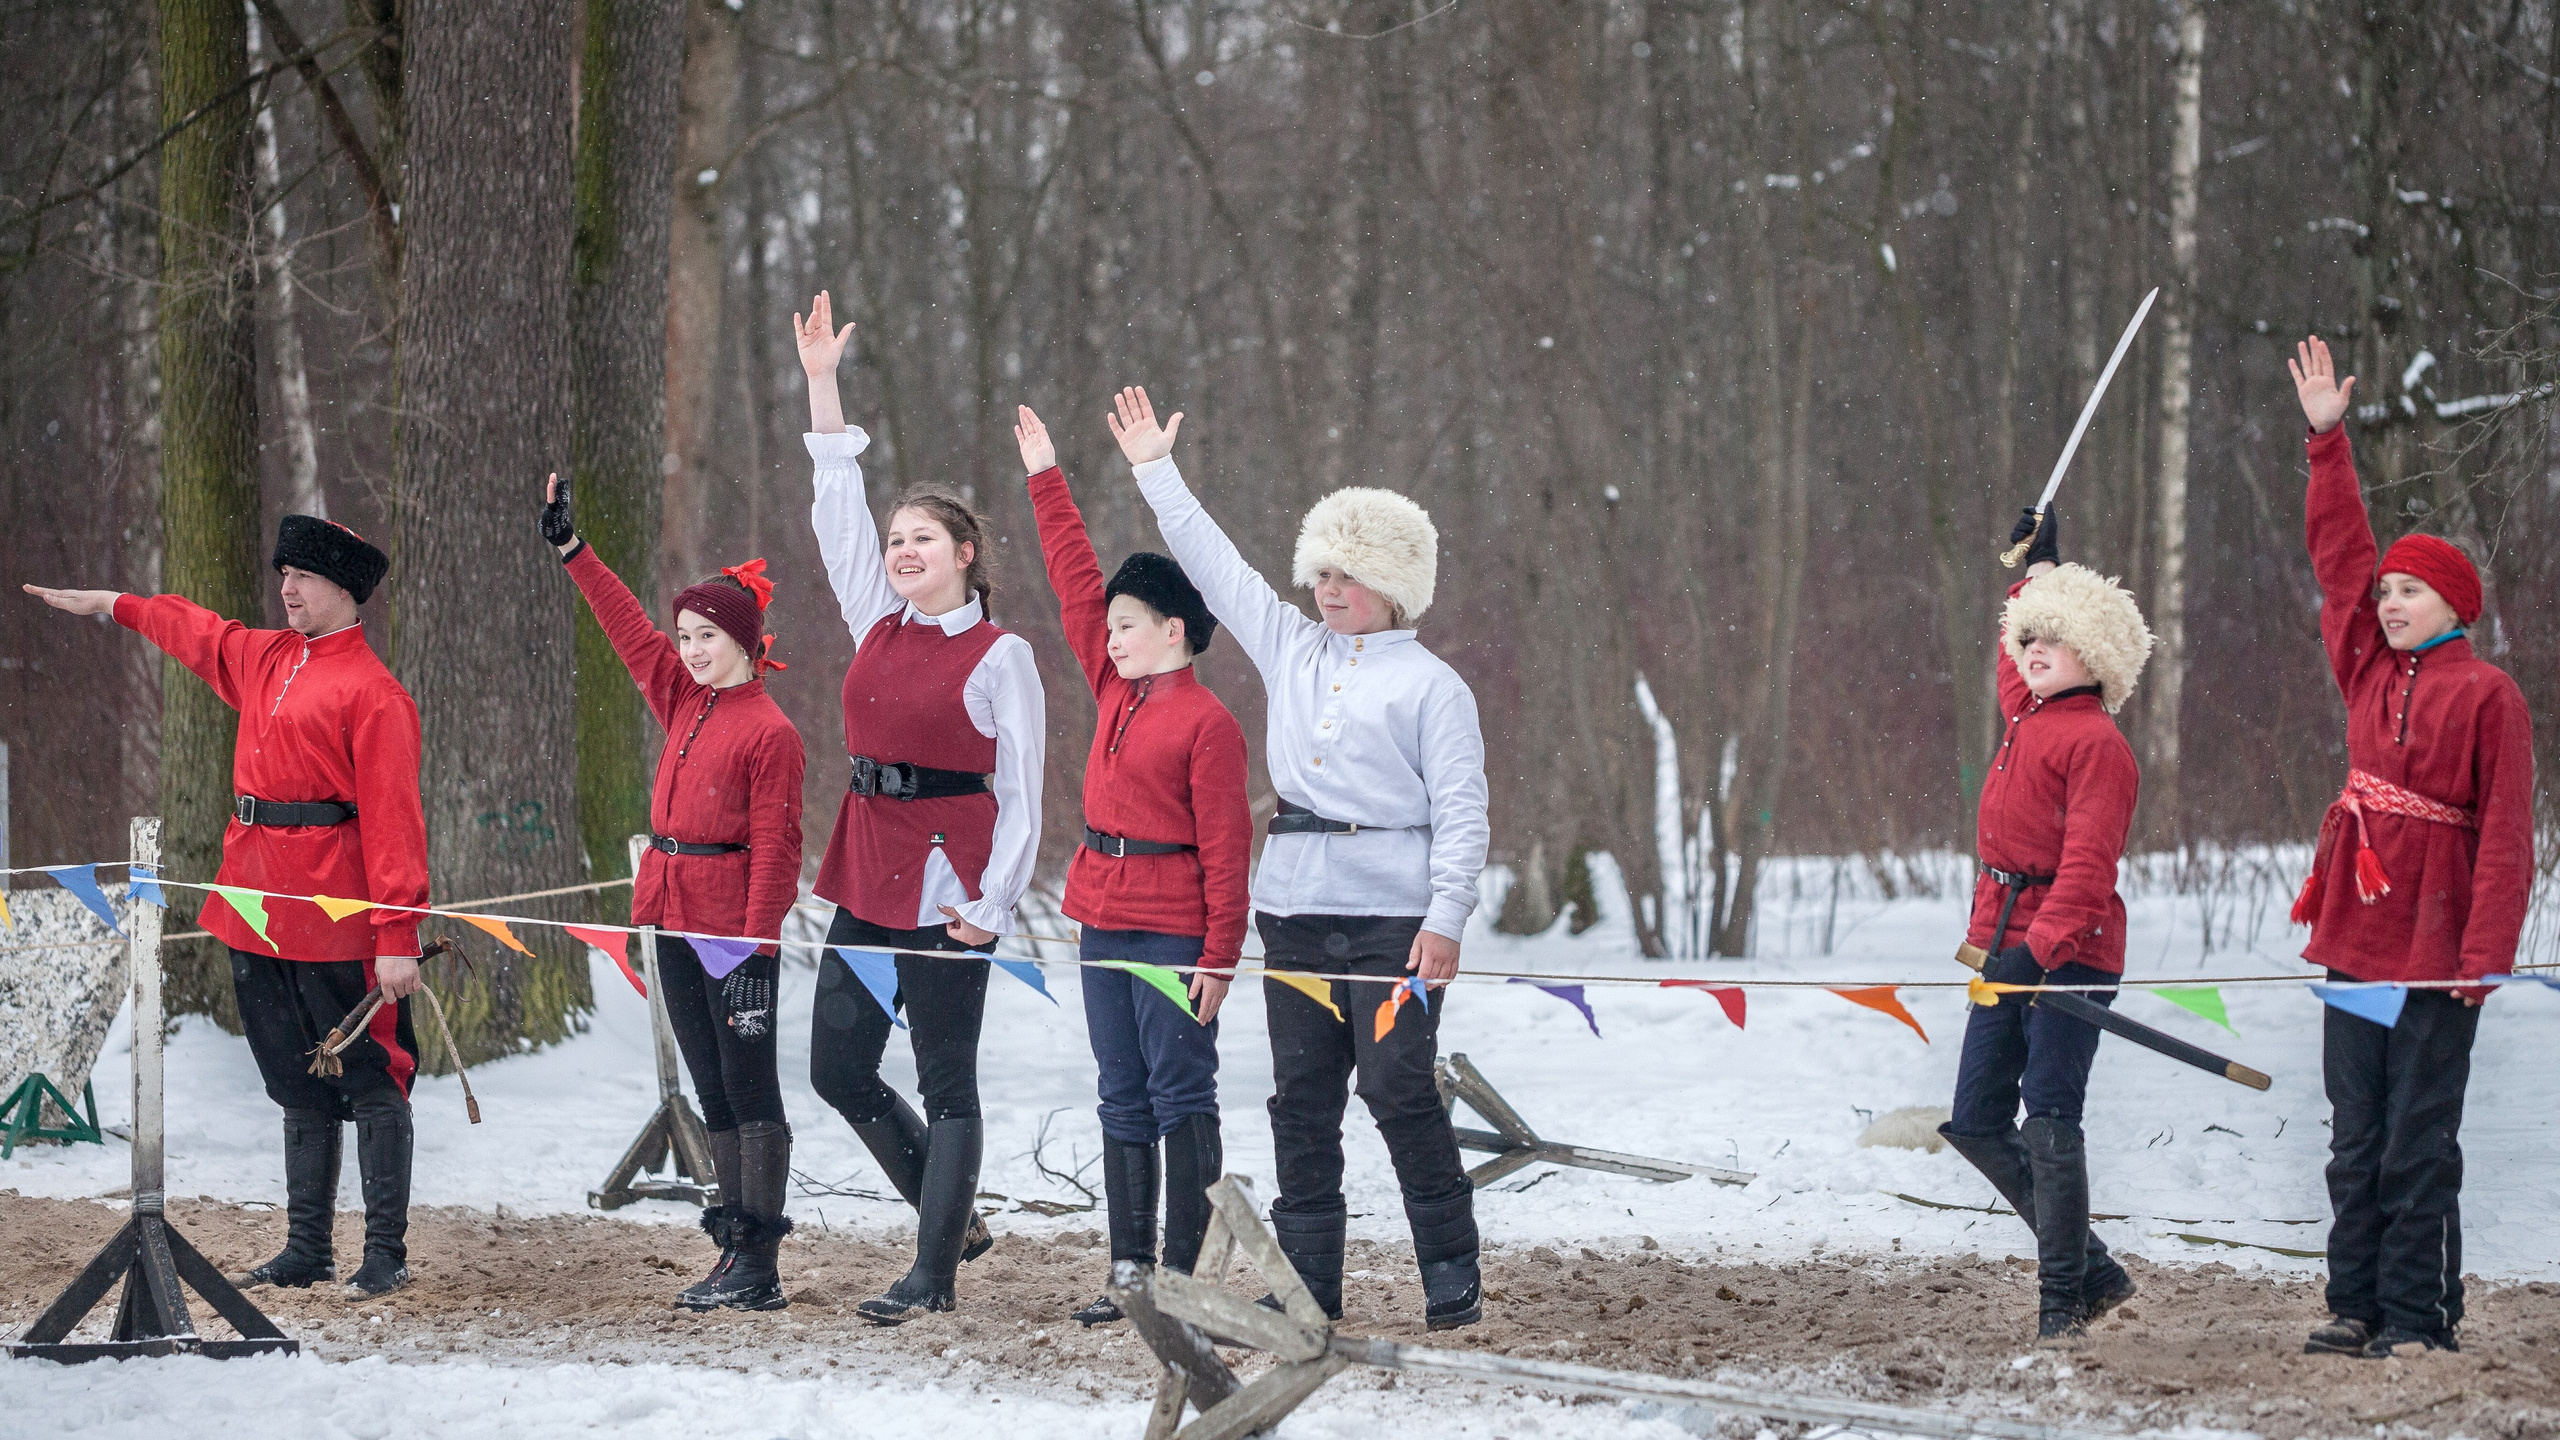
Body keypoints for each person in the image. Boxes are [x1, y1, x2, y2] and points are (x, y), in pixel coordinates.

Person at [1110, 385, 1492, 1331]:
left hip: (1395, 919)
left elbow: (1464, 812)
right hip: (1295, 911)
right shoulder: (1291, 646)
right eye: (1320, 571)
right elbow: (1218, 565)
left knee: (1399, 1089)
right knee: (1302, 1101)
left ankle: (1450, 1266)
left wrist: (1445, 919)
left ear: (1395, 588)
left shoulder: (1434, 687)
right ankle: (1309, 1283)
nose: (1328, 590)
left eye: (1348, 577)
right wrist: (1156, 472)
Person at [25, 519, 430, 1300]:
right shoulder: (266, 657)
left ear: (346, 590)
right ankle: (307, 1248)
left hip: (339, 915)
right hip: (252, 904)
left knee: (373, 1077)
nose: (287, 588)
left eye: (304, 577)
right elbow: (199, 633)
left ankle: (385, 1251)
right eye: (283, 572)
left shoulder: (376, 694)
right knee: (293, 1079)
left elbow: (395, 823)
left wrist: (397, 934)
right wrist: (114, 603)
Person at [793, 291, 1046, 1324]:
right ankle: (954, 1219)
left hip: (953, 881)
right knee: (836, 1066)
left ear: (966, 554)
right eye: (896, 539)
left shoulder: (1002, 656)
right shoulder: (875, 621)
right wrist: (821, 385)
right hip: (866, 863)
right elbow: (834, 514)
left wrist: (993, 903)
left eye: (923, 541)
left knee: (946, 1080)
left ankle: (931, 1272)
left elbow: (1023, 791)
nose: (900, 552)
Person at [2286, 337, 2533, 1360]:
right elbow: (2340, 560)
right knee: (2352, 1140)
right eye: (2385, 594)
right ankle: (2352, 1308)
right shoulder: (2362, 671)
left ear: (2452, 607)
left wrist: (2484, 954)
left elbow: (2510, 836)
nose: (2386, 604)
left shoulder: (2487, 695)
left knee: (2414, 1143)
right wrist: (2325, 444)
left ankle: (2416, 1315)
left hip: (2437, 947)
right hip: (2354, 933)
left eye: (2407, 593)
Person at [541, 474, 806, 1312]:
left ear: (744, 641)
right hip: (671, 919)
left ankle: (758, 1261)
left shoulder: (771, 732)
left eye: (705, 637)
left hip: (733, 930)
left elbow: (778, 851)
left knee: (747, 1086)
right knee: (711, 1087)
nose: (689, 649)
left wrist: (760, 948)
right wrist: (573, 551)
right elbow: (627, 629)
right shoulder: (682, 701)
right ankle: (731, 1246)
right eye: (685, 636)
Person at [1016, 405, 1251, 1327]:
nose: (1109, 635)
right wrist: (1046, 478)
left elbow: (1229, 853)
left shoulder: (1209, 724)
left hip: (1176, 921)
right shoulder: (1113, 686)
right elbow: (1075, 581)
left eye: (1129, 624)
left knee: (1178, 1089)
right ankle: (1129, 1271)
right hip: (1102, 914)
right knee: (1119, 1091)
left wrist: (1220, 954)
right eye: (1109, 626)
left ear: (1177, 630)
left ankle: (1186, 1279)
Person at [1937, 505, 2153, 1342]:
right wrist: (2040, 567)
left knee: (2050, 1114)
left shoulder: (2099, 745)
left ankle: (2063, 1298)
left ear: (2091, 659)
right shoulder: (2027, 714)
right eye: (2028, 638)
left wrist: (2039, 955)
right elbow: (2009, 648)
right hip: (2006, 947)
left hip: (2073, 955)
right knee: (1976, 1119)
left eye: (2051, 644)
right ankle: (2094, 1267)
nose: (2031, 652)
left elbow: (2088, 877)